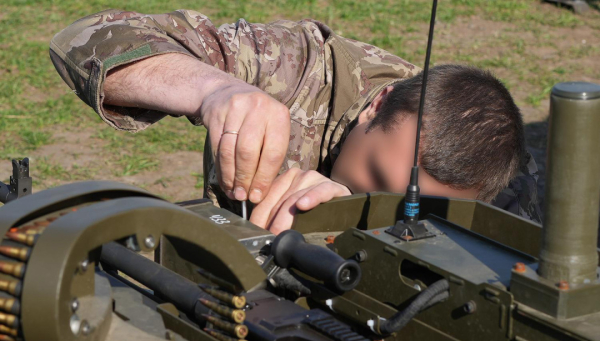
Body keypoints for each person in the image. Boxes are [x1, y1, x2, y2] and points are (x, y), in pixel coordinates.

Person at [50, 9, 542, 233]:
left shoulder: (509, 188)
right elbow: (86, 40)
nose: (377, 204)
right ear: (379, 104)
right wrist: (216, 90)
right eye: (375, 176)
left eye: (414, 209)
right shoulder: (303, 69)